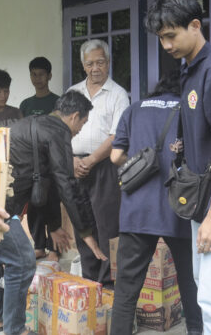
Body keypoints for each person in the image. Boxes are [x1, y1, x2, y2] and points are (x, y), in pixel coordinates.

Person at [145, 0, 211, 334]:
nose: (166, 45)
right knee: (206, 294)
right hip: (200, 204)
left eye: (171, 35)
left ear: (195, 26)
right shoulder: (190, 69)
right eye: (161, 38)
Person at [0, 91, 107, 335]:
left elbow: (45, 181)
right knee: (22, 262)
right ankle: (15, 329)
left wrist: (55, 226)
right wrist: (86, 232)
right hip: (2, 209)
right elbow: (65, 183)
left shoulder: (26, 123)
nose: (80, 129)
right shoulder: (59, 131)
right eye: (82, 123)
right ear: (73, 116)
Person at [109, 71, 203, 335]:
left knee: (126, 290)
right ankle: (196, 331)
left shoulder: (134, 109)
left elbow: (116, 156)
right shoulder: (188, 109)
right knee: (191, 283)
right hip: (179, 208)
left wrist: (141, 162)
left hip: (137, 210)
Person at [68, 39, 130, 285]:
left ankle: (107, 282)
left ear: (108, 63)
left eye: (100, 62)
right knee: (82, 224)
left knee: (106, 226)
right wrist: (72, 160)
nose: (95, 68)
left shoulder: (118, 94)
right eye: (90, 63)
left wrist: (92, 160)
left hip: (104, 167)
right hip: (74, 166)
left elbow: (117, 136)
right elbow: (60, 130)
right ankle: (89, 279)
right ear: (83, 66)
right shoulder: (72, 93)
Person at [19, 57, 62, 262]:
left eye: (42, 74)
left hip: (52, 163)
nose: (38, 78)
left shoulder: (58, 101)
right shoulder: (26, 104)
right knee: (34, 205)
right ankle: (39, 246)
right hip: (31, 164)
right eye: (34, 74)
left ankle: (55, 248)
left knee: (52, 204)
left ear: (49, 76)